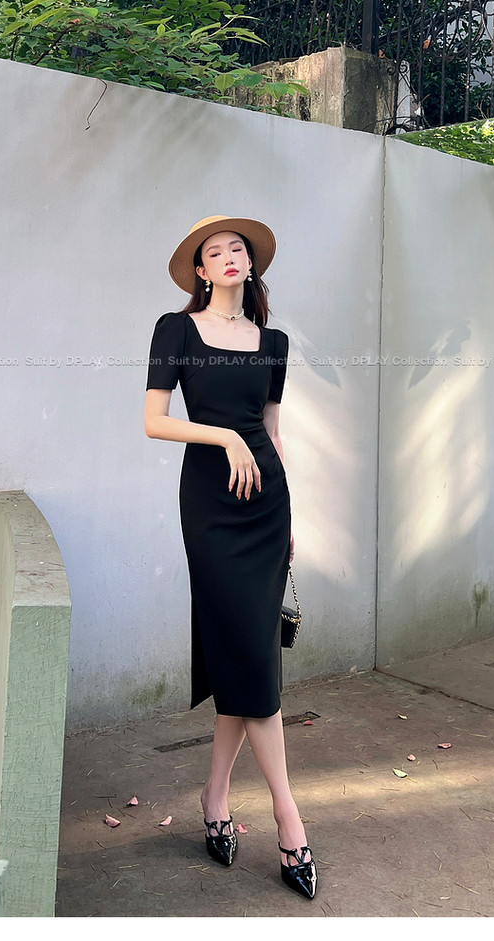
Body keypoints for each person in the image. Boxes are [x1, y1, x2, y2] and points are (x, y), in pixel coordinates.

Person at [144, 214, 317, 900]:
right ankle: (288, 817)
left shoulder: (273, 343)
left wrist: (290, 513)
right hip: (211, 508)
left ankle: (216, 796)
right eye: (214, 252)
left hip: (266, 508)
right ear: (200, 271)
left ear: (250, 265)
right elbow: (154, 420)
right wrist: (223, 437)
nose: (228, 256)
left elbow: (272, 430)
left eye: (237, 248)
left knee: (248, 656)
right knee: (248, 653)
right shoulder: (176, 330)